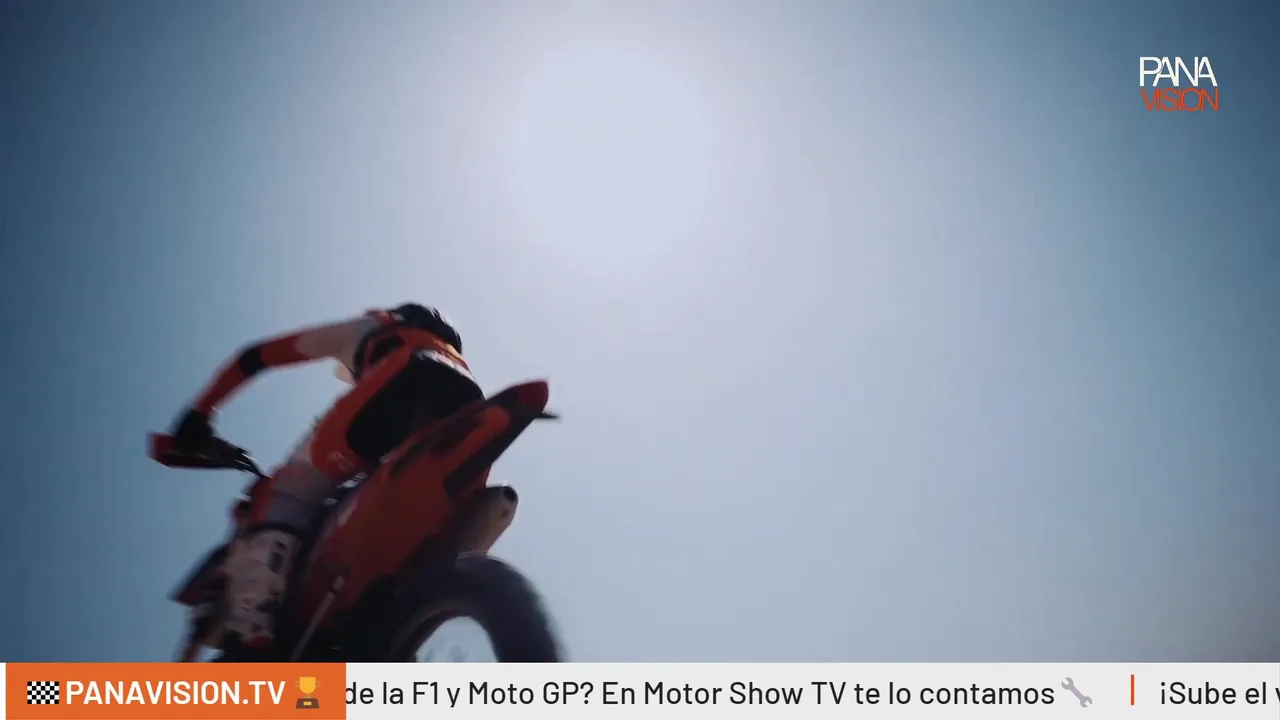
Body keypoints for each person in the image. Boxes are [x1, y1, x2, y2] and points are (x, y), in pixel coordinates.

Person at [166, 303, 484, 658]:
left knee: (288, 492)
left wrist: (199, 413)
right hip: (468, 404)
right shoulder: (450, 354)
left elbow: (255, 357)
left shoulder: (371, 327)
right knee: (404, 507)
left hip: (400, 385)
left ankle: (254, 629)